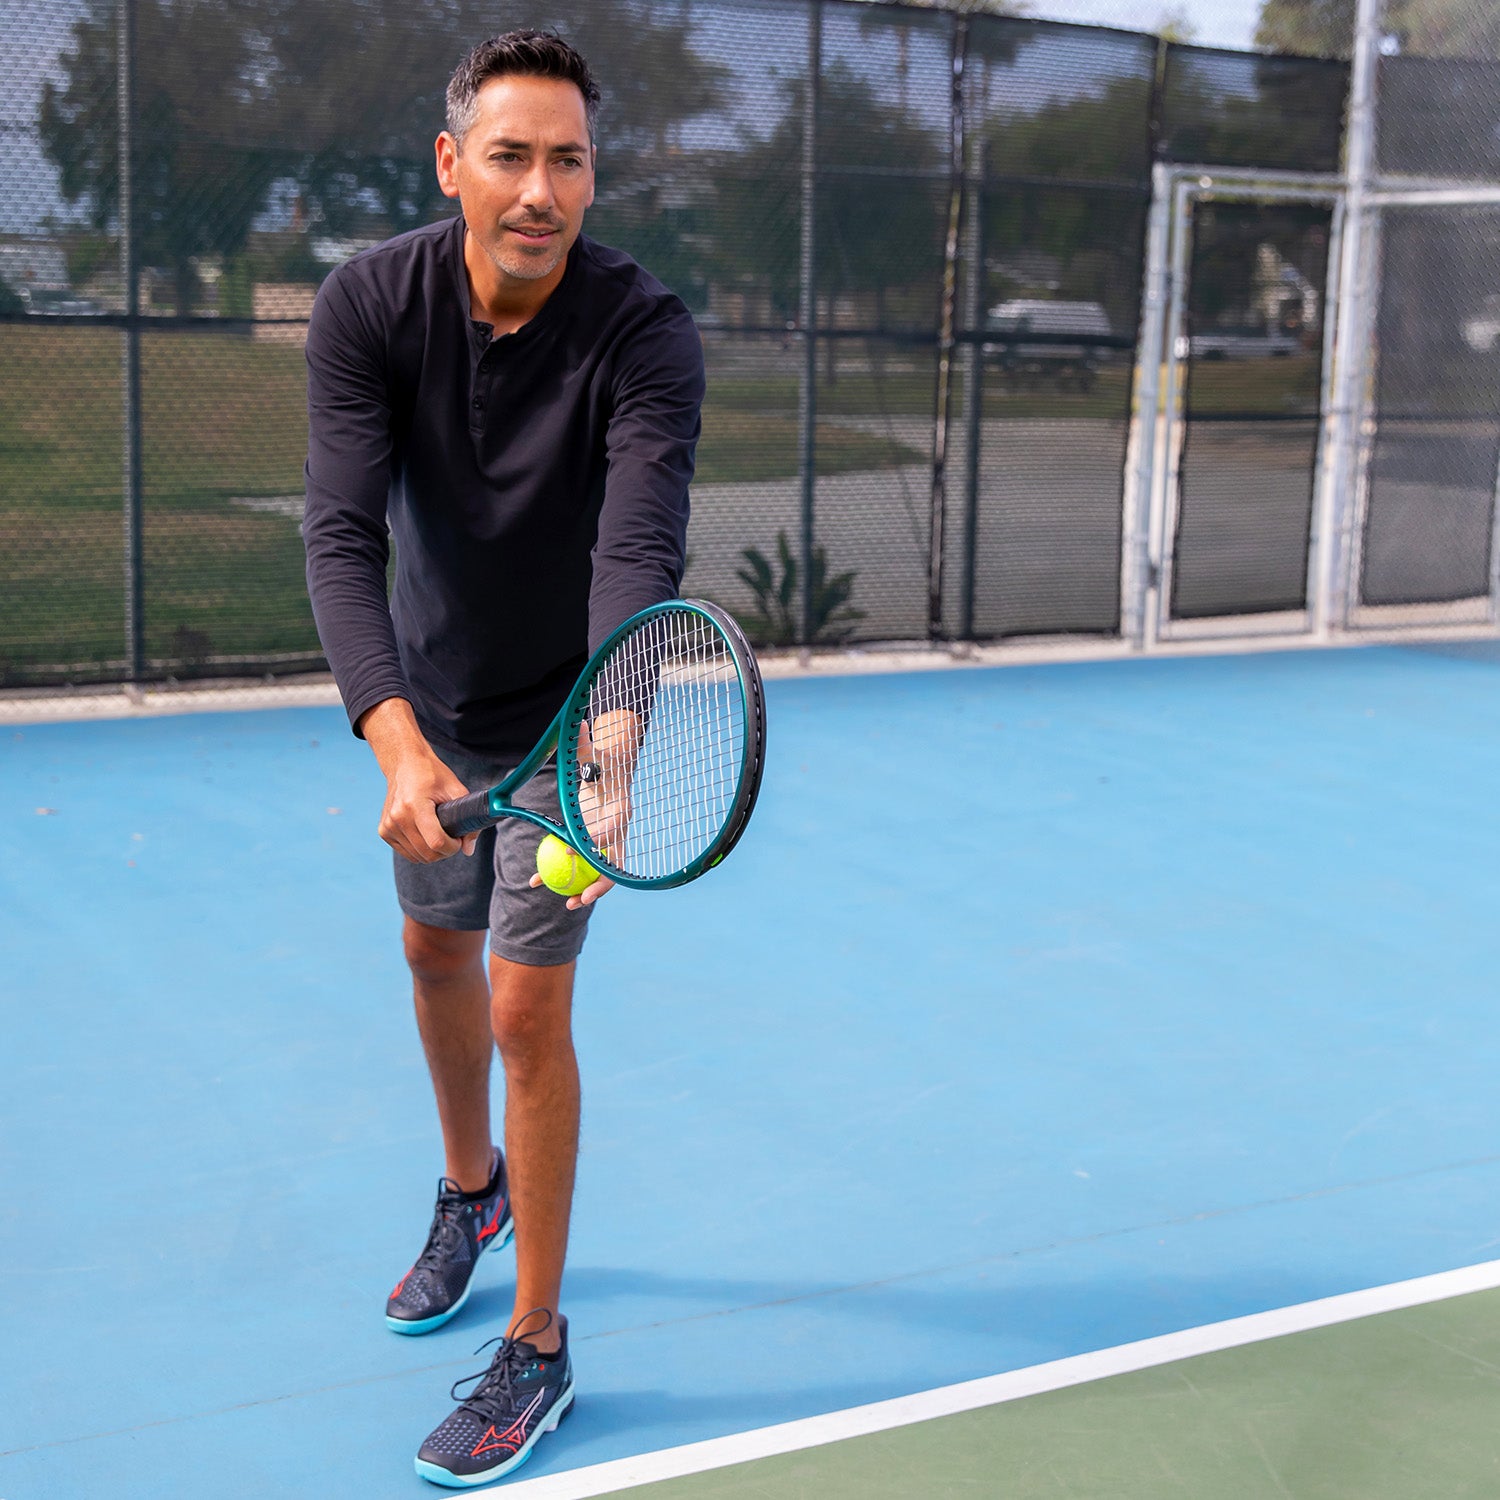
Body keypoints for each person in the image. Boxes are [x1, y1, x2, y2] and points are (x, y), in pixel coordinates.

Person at [302, 29, 704, 1487]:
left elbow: (636, 541)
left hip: (570, 713)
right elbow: (341, 530)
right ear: (452, 164)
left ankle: (538, 1348)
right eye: (514, 155)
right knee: (431, 961)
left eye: (571, 160)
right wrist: (392, 737)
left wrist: (608, 748)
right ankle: (469, 1194)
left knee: (529, 1008)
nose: (542, 190)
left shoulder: (644, 331)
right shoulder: (368, 305)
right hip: (436, 692)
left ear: (594, 175)